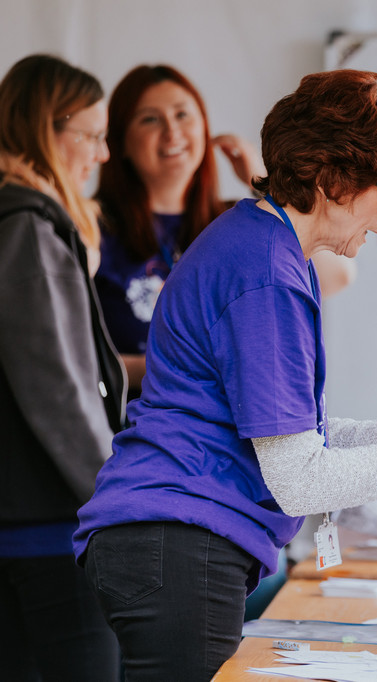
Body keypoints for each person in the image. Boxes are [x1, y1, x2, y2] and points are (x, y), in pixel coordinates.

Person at [72, 68, 377, 681]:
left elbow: (303, 437)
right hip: (177, 539)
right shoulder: (264, 273)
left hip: (170, 538)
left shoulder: (270, 247)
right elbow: (300, 480)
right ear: (335, 180)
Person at [94, 64, 355, 399]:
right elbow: (68, 359)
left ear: (205, 128)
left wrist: (268, 185)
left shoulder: (239, 219)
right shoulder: (92, 225)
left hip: (231, 427)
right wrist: (158, 368)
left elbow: (336, 274)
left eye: (182, 115)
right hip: (134, 423)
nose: (172, 132)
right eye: (150, 119)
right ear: (120, 142)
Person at [0, 53, 124, 682]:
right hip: (46, 533)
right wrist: (115, 498)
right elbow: (58, 388)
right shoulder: (26, 226)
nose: (102, 154)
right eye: (92, 135)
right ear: (47, 128)